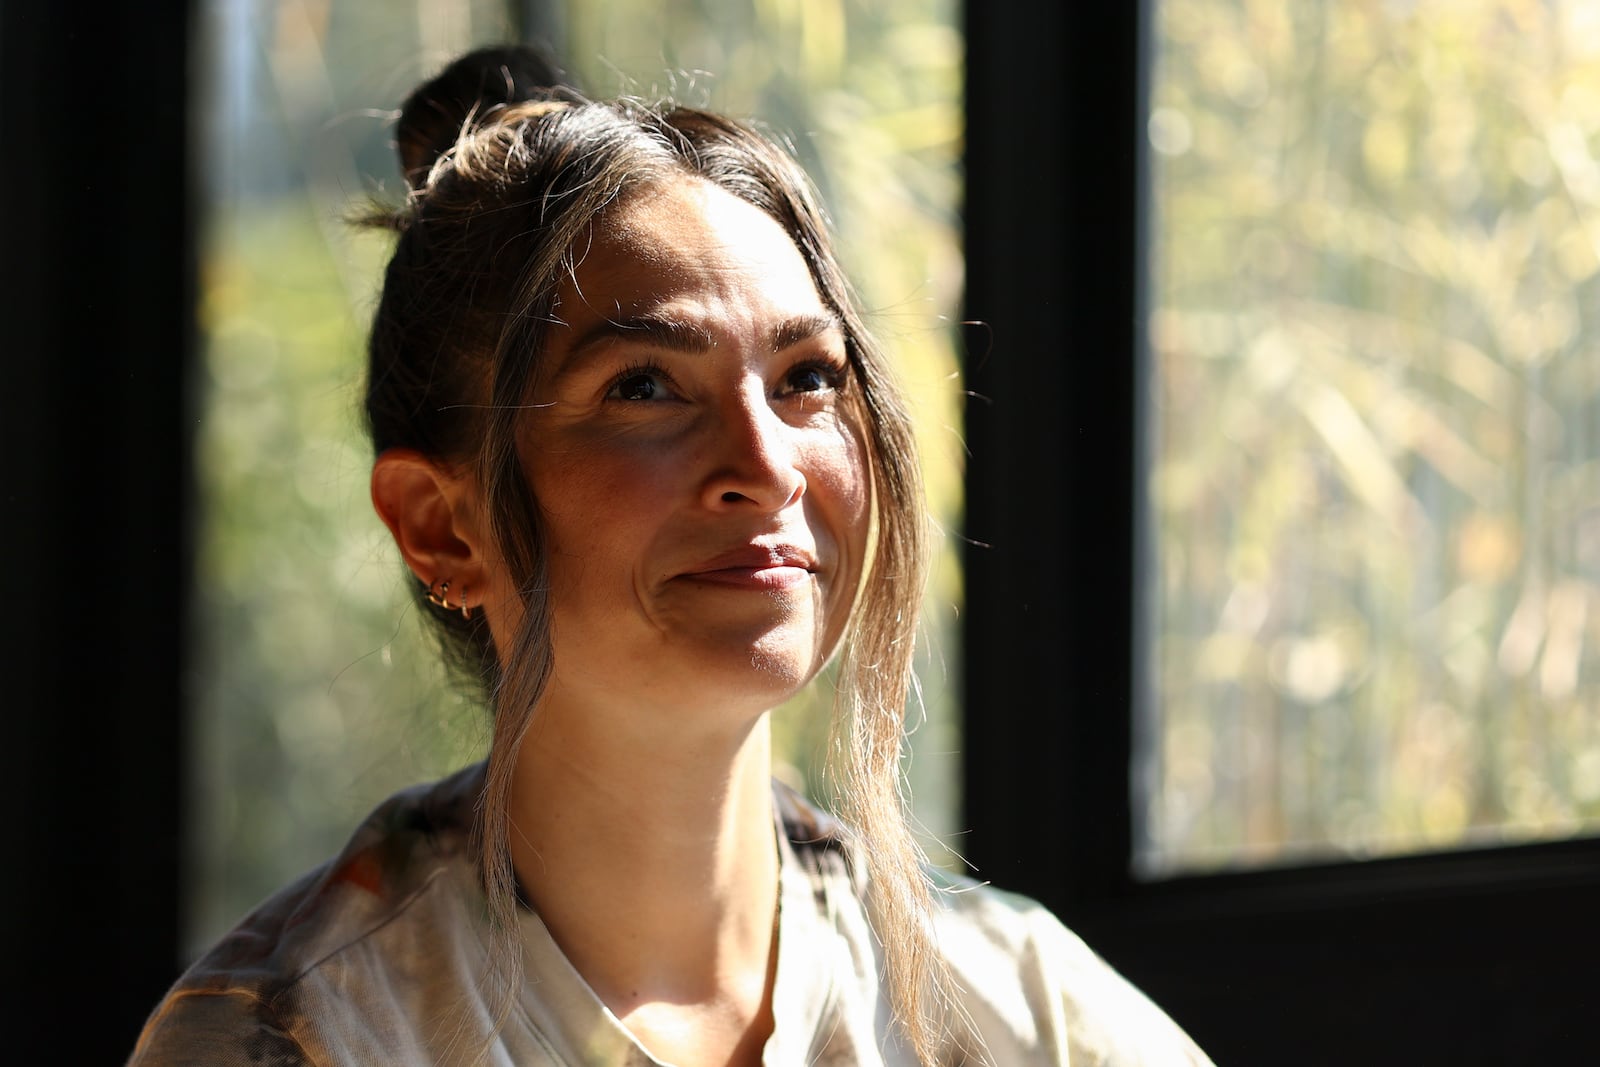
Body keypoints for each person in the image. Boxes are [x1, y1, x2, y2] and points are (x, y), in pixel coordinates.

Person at [129, 45, 1213, 1067]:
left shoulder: (1021, 1009)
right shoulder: (303, 1035)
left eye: (807, 377)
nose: (767, 463)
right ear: (439, 527)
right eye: (642, 387)